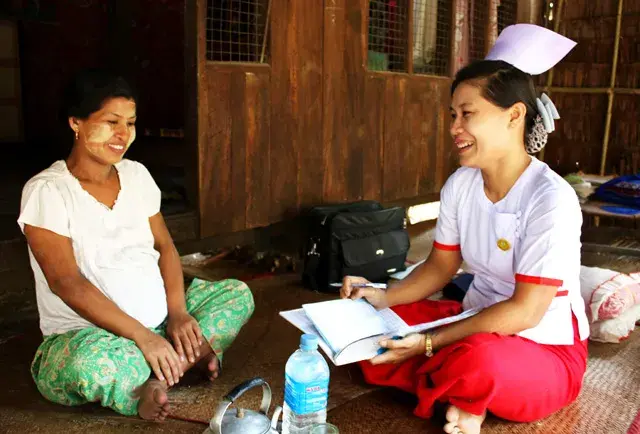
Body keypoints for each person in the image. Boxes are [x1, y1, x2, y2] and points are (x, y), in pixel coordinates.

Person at [340, 25, 589, 434]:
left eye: (468, 114)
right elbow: (440, 268)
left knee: (480, 363)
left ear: (514, 115)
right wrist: (383, 298)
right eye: (453, 114)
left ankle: (464, 386)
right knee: (362, 328)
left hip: (543, 346)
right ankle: (460, 392)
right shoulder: (461, 184)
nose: (455, 126)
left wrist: (429, 343)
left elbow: (526, 312)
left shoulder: (550, 198)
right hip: (472, 319)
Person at [17, 68, 255, 421]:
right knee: (82, 366)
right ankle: (174, 366)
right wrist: (143, 338)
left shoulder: (137, 175)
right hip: (94, 337)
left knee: (237, 294)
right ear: (76, 122)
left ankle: (156, 376)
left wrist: (177, 313)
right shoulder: (48, 191)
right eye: (110, 121)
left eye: (129, 123)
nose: (122, 134)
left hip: (160, 326)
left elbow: (166, 249)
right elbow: (66, 282)